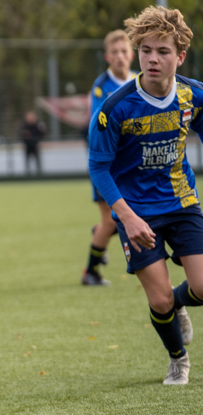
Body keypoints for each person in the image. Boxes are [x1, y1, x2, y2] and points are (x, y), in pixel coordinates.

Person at [89, 6, 202, 385]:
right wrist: (126, 216)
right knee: (159, 301)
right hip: (136, 212)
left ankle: (180, 302)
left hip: (182, 202)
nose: (153, 59)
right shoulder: (115, 107)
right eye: (146, 50)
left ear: (180, 57)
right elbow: (98, 167)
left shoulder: (193, 95)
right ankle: (178, 359)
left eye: (163, 51)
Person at [82, 30, 137, 286]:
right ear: (107, 57)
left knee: (125, 218)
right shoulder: (101, 87)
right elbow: (99, 125)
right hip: (107, 166)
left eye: (124, 51)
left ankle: (101, 234)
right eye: (114, 52)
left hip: (132, 164)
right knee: (111, 220)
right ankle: (90, 272)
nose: (120, 56)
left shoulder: (139, 81)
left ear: (132, 54)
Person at [22, 111, 46, 175]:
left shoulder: (38, 125)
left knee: (38, 161)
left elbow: (42, 134)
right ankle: (27, 175)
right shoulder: (25, 126)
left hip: (35, 145)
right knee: (27, 161)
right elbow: (21, 135)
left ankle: (39, 174)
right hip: (28, 146)